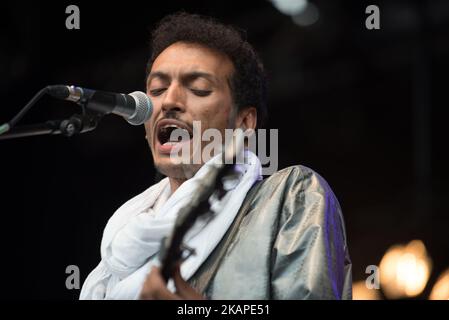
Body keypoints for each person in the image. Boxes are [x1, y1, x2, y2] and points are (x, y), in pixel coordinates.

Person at [80, 12, 352, 300]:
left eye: (198, 89)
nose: (169, 101)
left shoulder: (287, 196)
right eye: (157, 89)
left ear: (244, 123)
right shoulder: (122, 239)